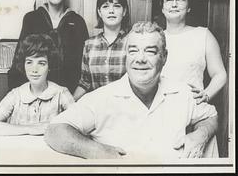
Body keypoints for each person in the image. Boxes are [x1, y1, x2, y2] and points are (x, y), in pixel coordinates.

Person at [44, 22, 218, 159]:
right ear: (126, 56)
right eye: (133, 51)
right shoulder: (102, 98)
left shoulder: (182, 92)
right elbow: (55, 130)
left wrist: (200, 135)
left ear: (164, 57)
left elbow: (210, 116)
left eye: (150, 51)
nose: (140, 59)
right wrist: (96, 151)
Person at [8, 0, 89, 93]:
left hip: (68, 92)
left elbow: (84, 65)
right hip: (36, 91)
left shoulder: (77, 22)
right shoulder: (31, 18)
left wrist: (73, 99)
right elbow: (20, 58)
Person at [157, 0, 227, 104]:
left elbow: (220, 74)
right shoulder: (155, 38)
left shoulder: (203, 35)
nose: (174, 4)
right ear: (162, 7)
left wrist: (206, 94)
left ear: (189, 7)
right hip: (160, 109)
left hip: (193, 109)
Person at [0, 34, 75, 136]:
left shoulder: (61, 93)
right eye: (29, 62)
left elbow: (79, 124)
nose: (34, 70)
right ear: (23, 64)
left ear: (49, 65)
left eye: (41, 63)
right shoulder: (15, 94)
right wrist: (29, 129)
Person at [73, 0, 130, 101]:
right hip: (97, 108)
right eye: (105, 6)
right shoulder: (89, 45)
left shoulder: (132, 42)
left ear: (124, 11)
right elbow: (85, 83)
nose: (111, 11)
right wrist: (70, 104)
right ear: (99, 12)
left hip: (124, 108)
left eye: (117, 6)